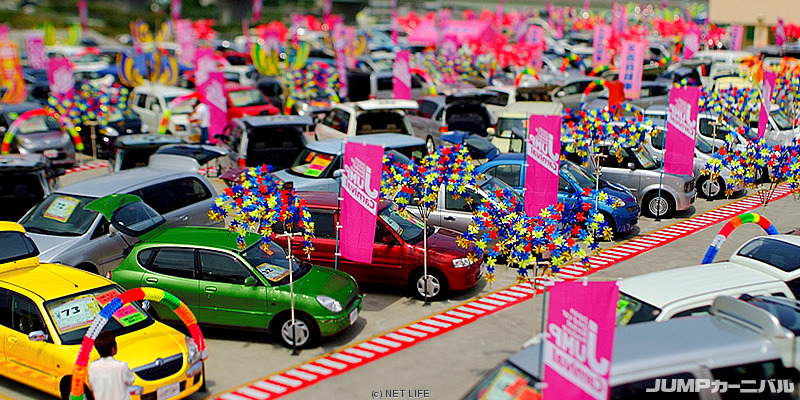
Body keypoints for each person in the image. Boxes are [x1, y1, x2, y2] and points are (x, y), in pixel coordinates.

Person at [88, 331, 136, 400]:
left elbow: (92, 386)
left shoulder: (92, 367)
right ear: (112, 349)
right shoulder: (121, 366)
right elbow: (130, 380)